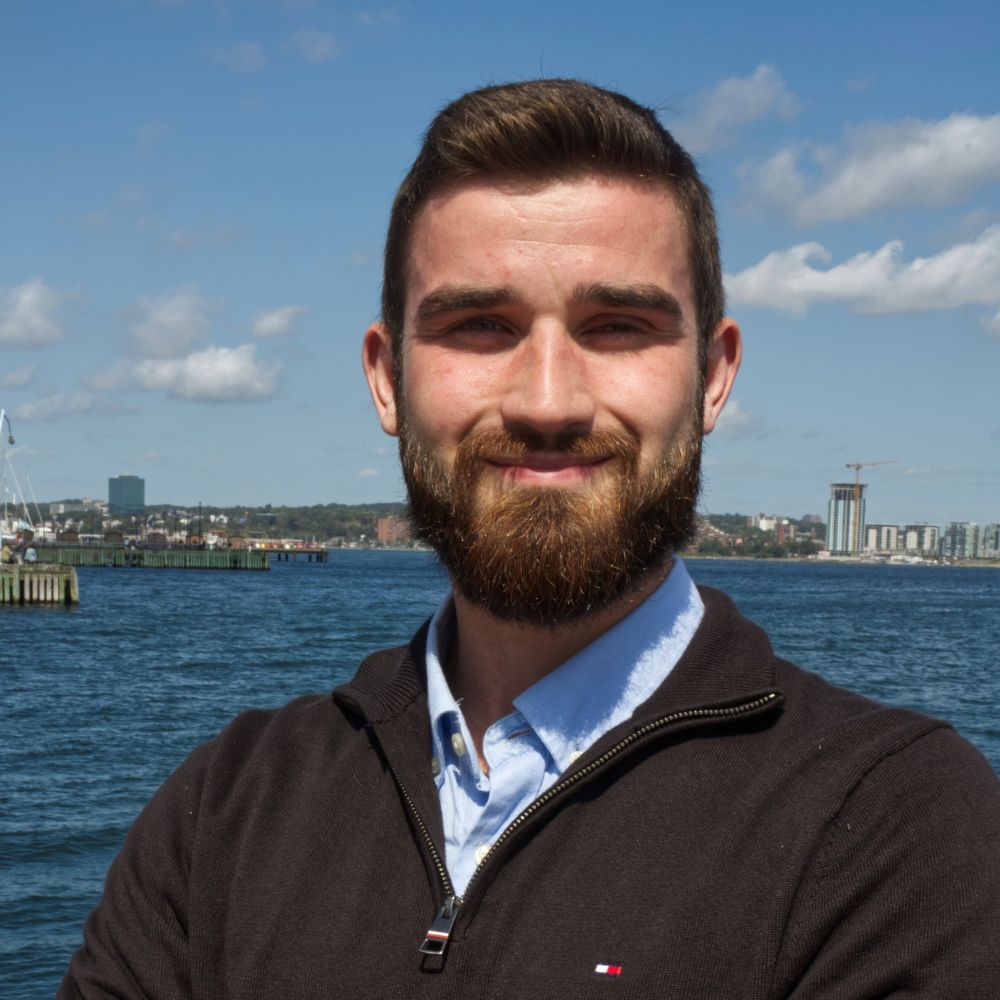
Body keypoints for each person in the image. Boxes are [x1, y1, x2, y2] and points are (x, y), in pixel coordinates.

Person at [61, 80, 1000, 998]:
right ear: (388, 380)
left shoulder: (895, 826)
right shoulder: (228, 806)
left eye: (619, 326)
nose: (548, 400)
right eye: (479, 326)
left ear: (713, 377)